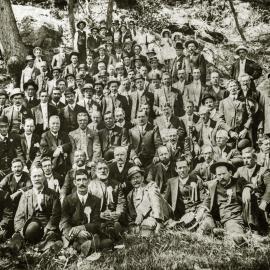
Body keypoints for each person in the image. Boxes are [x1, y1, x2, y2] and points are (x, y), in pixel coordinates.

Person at [196, 159, 253, 244]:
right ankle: (213, 229)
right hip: (218, 217)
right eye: (219, 175)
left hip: (233, 217)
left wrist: (247, 189)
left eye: (224, 174)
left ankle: (222, 233)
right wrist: (202, 209)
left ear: (230, 173)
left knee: (236, 238)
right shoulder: (214, 185)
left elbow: (250, 185)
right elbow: (208, 199)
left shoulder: (239, 181)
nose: (221, 177)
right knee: (205, 217)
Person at [10, 166, 61, 252]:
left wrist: (47, 229)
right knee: (15, 241)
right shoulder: (25, 195)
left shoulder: (53, 194)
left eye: (39, 176)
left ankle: (42, 249)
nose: (37, 179)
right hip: (28, 228)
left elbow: (56, 215)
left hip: (46, 229)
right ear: (31, 178)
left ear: (44, 177)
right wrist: (22, 231)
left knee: (51, 240)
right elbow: (18, 217)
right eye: (34, 176)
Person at [60, 169, 106, 254]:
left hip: (89, 232)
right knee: (75, 242)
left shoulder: (96, 200)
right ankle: (84, 247)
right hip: (73, 235)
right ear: (74, 182)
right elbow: (64, 223)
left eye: (84, 179)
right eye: (79, 180)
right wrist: (77, 233)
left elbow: (96, 223)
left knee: (106, 241)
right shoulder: (67, 200)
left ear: (88, 181)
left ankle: (89, 246)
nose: (81, 183)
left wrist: (82, 228)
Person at [127, 166, 173, 236]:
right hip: (144, 219)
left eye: (137, 177)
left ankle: (159, 224)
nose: (135, 180)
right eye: (133, 178)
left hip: (160, 214)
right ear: (130, 181)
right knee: (137, 230)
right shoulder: (130, 195)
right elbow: (133, 214)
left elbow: (156, 203)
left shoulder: (151, 186)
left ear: (142, 178)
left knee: (147, 226)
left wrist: (141, 213)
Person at [88, 159, 126, 242]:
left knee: (116, 224)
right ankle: (107, 236)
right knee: (100, 227)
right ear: (95, 171)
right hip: (99, 217)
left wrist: (118, 213)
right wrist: (99, 214)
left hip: (113, 215)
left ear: (108, 170)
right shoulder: (90, 185)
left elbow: (121, 201)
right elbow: (88, 206)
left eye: (105, 168)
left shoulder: (116, 184)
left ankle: (115, 233)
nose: (103, 171)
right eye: (100, 169)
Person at [164, 156, 202, 221]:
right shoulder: (171, 182)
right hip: (178, 213)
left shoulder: (197, 180)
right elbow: (166, 200)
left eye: (184, 167)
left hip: (194, 211)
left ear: (189, 167)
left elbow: (203, 199)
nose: (182, 170)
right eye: (180, 168)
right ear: (176, 169)